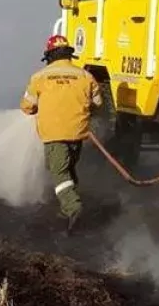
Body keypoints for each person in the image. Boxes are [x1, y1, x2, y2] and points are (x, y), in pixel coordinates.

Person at [20, 34, 104, 234]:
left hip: (54, 134)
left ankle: (73, 207)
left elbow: (27, 106)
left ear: (49, 55)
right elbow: (99, 104)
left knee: (59, 172)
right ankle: (69, 208)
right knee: (68, 169)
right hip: (77, 133)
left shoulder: (39, 77)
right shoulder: (85, 76)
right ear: (69, 54)